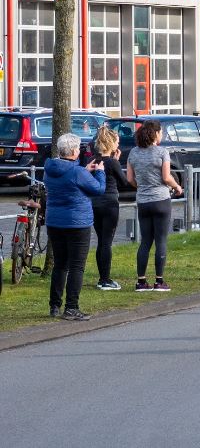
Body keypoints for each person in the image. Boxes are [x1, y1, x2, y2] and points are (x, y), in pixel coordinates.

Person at [45, 133, 106, 320]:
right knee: (77, 267)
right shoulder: (77, 172)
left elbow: (70, 179)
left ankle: (55, 305)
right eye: (78, 148)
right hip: (77, 223)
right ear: (73, 151)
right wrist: (100, 172)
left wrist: (85, 171)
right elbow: (98, 189)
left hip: (55, 222)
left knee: (60, 265)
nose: (80, 151)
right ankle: (71, 307)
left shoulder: (50, 169)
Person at [127, 120, 183, 292]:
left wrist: (142, 187)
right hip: (161, 200)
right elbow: (166, 177)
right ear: (156, 134)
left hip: (143, 201)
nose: (162, 135)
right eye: (161, 132)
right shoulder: (162, 152)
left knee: (145, 241)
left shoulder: (133, 153)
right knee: (161, 241)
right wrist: (177, 186)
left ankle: (141, 281)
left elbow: (129, 179)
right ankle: (159, 281)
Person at [91, 126, 127, 291]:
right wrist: (117, 163)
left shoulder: (93, 161)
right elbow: (123, 183)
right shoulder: (112, 163)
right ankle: (105, 280)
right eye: (117, 142)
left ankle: (102, 278)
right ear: (112, 144)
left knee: (101, 241)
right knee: (107, 243)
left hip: (95, 204)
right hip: (110, 204)